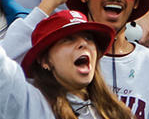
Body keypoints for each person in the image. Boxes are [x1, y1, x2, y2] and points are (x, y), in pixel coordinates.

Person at [0, 8, 135, 119]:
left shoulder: (118, 113)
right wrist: (51, 0)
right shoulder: (30, 103)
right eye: (68, 39)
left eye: (88, 38)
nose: (83, 43)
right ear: (45, 60)